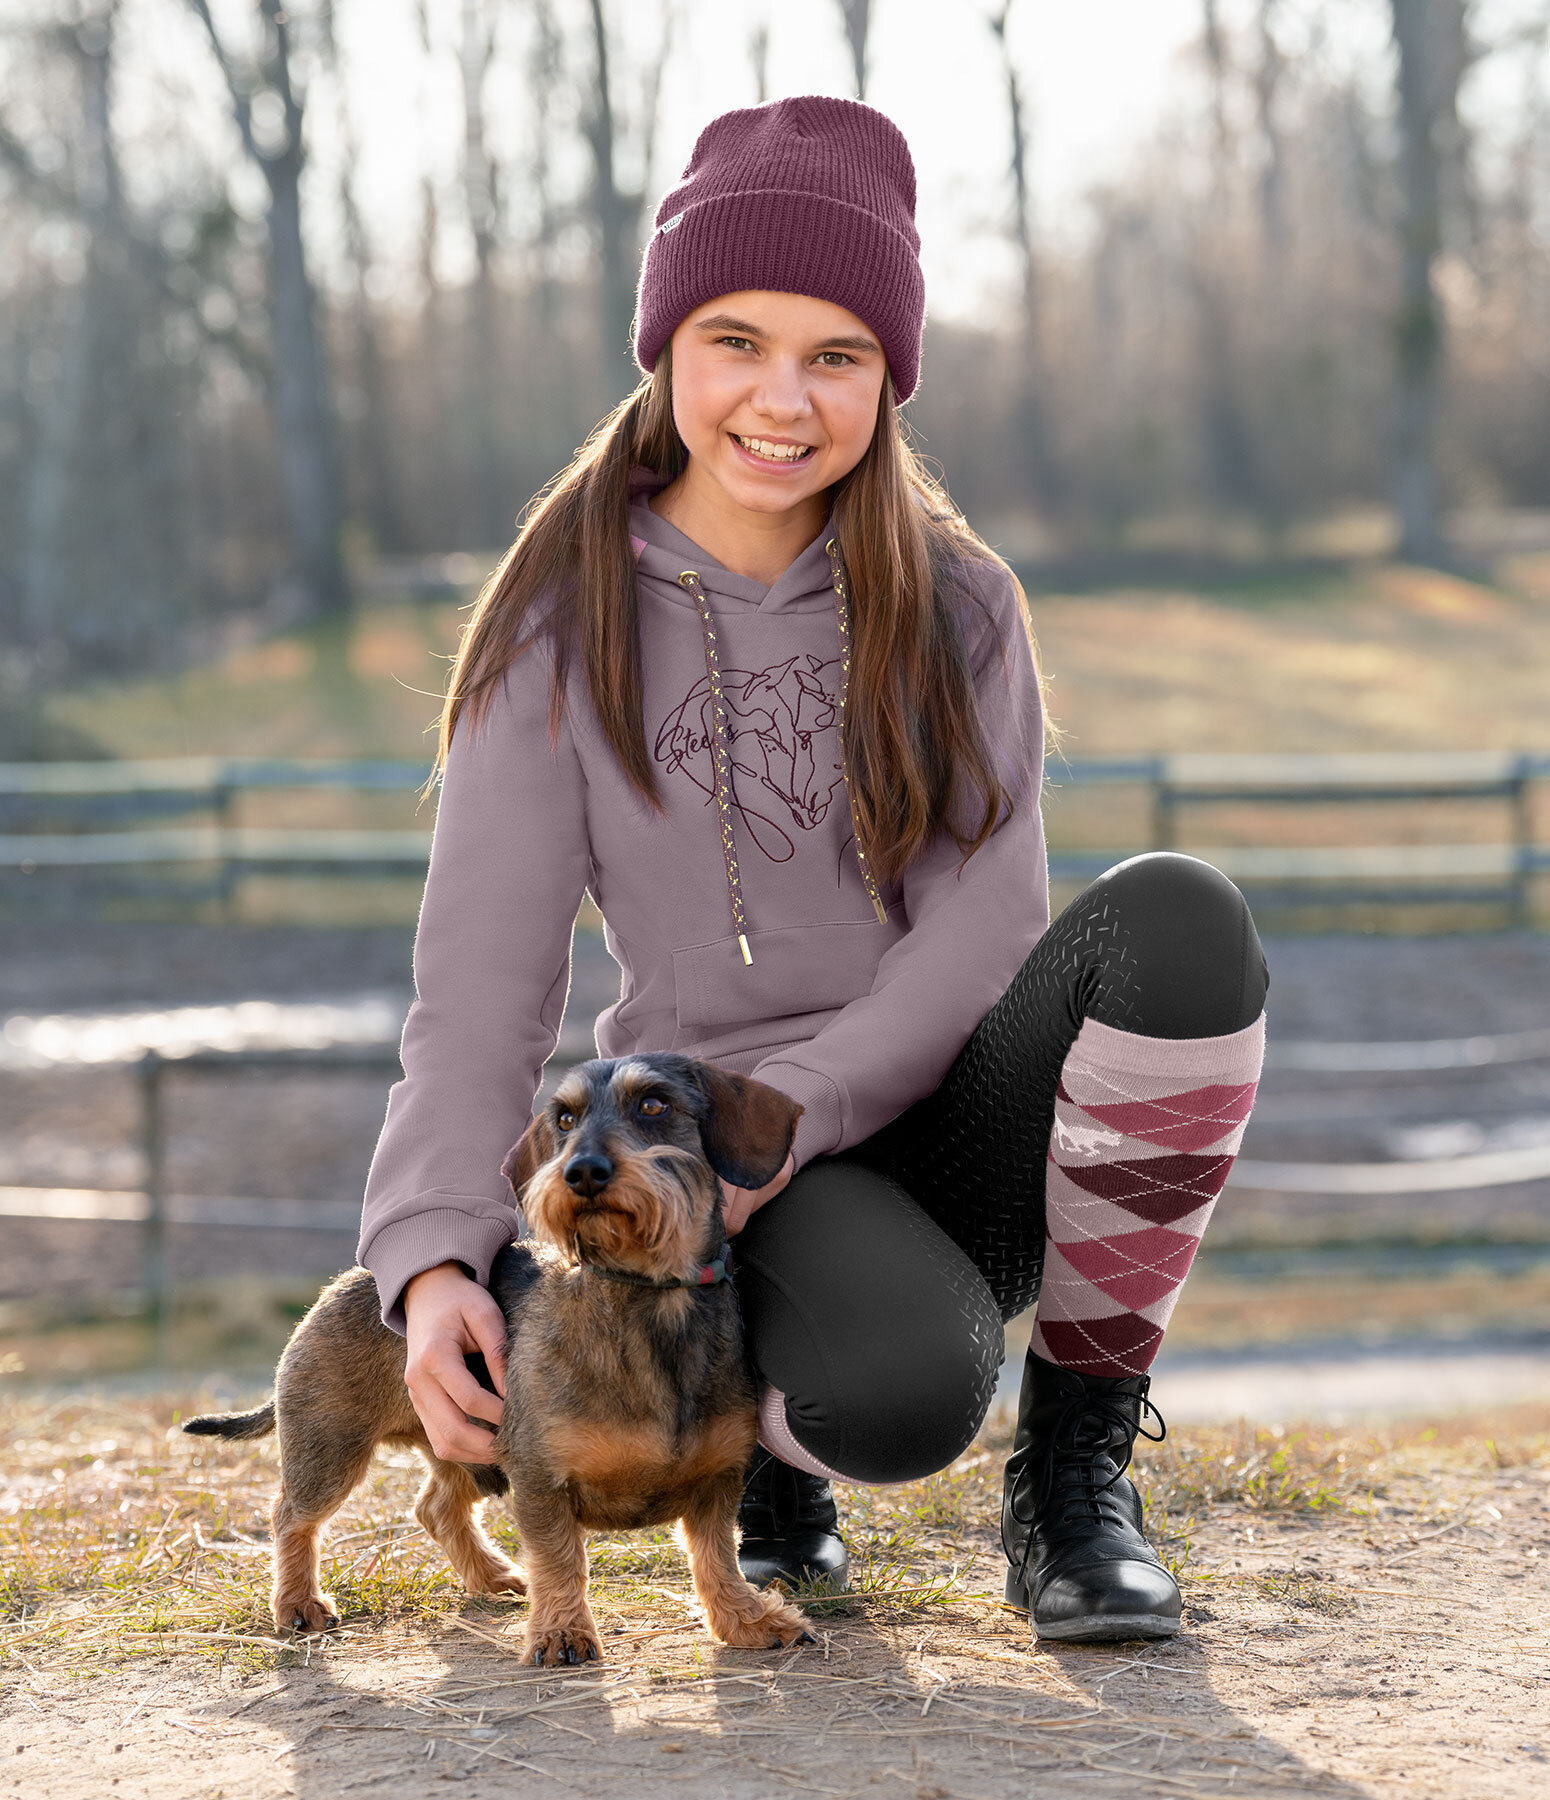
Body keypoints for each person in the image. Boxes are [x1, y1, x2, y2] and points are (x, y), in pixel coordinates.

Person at [357, 94, 1269, 1646]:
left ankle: (1071, 1480)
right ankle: (767, 1469)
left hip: (940, 1119)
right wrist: (431, 1253)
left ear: (887, 380)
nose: (781, 398)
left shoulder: (962, 606)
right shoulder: (554, 628)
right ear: (664, 349)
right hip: (716, 1168)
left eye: (836, 355)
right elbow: (483, 984)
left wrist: (807, 1110)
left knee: (1180, 921)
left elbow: (983, 934)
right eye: (735, 339)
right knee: (896, 1397)